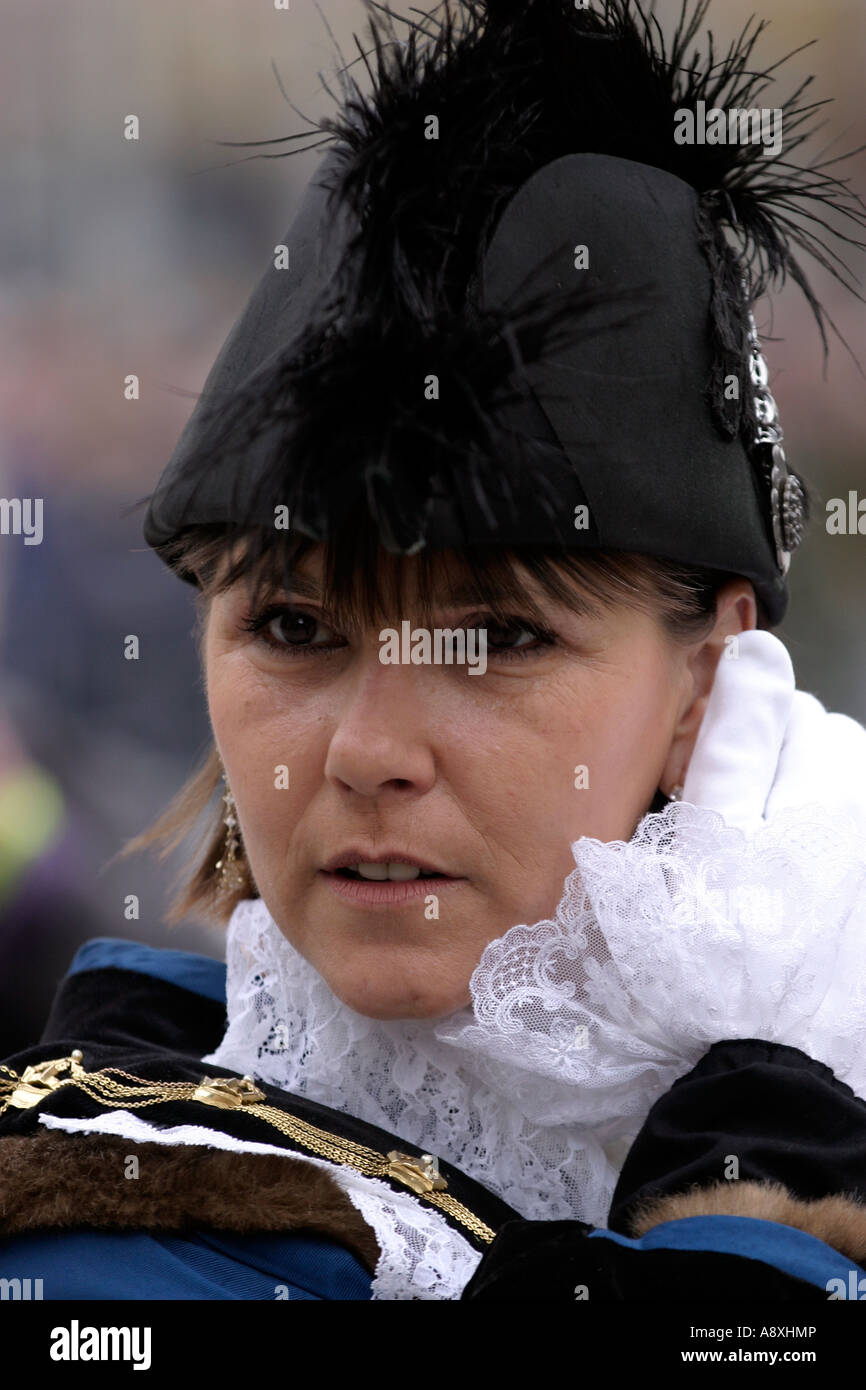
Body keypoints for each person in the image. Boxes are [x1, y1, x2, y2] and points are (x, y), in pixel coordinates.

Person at [2, 0, 866, 1302]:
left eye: (500, 635)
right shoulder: (100, 1209)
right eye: (292, 627)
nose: (367, 751)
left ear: (708, 685)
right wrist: (752, 1261)